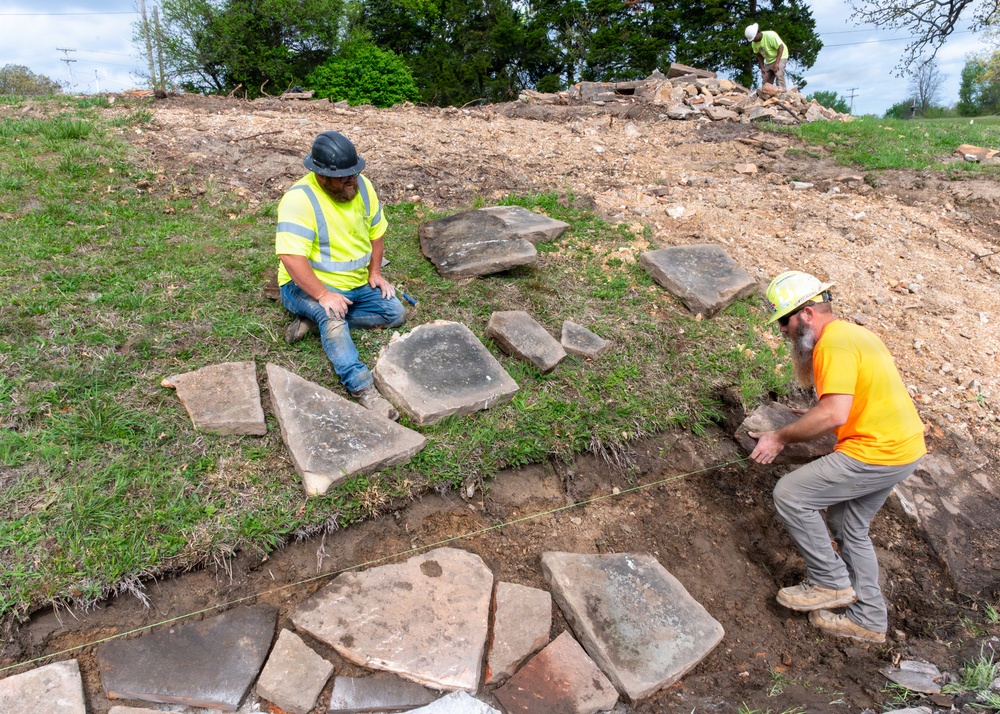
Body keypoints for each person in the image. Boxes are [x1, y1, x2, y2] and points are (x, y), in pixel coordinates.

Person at [747, 271, 926, 644]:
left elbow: (834, 415)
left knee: (791, 494)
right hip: (903, 449)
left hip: (876, 451)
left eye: (785, 320)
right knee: (848, 524)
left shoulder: (833, 345)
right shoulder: (855, 334)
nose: (782, 330)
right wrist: (812, 418)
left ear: (807, 313)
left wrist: (779, 437)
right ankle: (869, 620)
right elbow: (848, 404)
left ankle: (828, 582)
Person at [275, 130, 406, 421]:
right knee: (333, 321)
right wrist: (323, 295)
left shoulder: (363, 187)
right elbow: (290, 256)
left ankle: (312, 320)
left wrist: (375, 272)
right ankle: (361, 387)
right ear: (321, 175)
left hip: (356, 283)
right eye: (344, 176)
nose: (352, 180)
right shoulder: (299, 200)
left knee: (395, 312)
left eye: (355, 173)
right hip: (306, 287)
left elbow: (377, 232)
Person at [744, 23, 788, 90]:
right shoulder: (754, 44)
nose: (753, 41)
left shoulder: (770, 36)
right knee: (766, 81)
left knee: (779, 75)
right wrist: (762, 68)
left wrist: (777, 63)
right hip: (769, 59)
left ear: (757, 33)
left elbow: (780, 47)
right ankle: (765, 97)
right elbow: (759, 55)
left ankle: (782, 94)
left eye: (753, 38)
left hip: (781, 55)